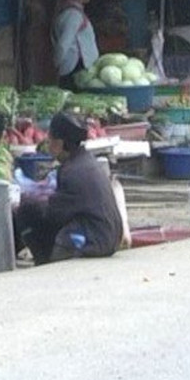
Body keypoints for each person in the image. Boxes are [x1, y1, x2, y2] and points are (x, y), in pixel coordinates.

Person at [14, 111, 121, 265]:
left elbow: (54, 213)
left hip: (95, 240)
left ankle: (45, 262)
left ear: (59, 143)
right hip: (108, 236)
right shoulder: (86, 161)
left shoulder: (72, 172)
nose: (48, 142)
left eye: (50, 139)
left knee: (27, 212)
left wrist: (29, 201)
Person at [52, 0, 99, 89]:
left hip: (78, 68)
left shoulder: (72, 12)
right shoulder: (73, 15)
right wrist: (56, 65)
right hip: (76, 69)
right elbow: (63, 45)